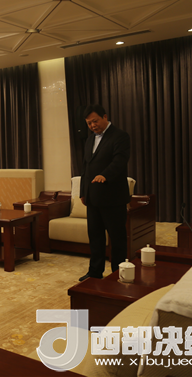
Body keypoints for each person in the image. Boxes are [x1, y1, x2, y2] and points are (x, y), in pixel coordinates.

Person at [78, 104, 131, 281]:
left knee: (117, 238)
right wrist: (83, 192)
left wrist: (104, 175)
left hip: (113, 197)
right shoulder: (89, 140)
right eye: (89, 123)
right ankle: (95, 272)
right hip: (92, 198)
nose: (92, 126)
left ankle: (118, 273)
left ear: (105, 117)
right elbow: (85, 167)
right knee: (95, 237)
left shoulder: (120, 136)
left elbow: (120, 161)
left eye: (95, 121)